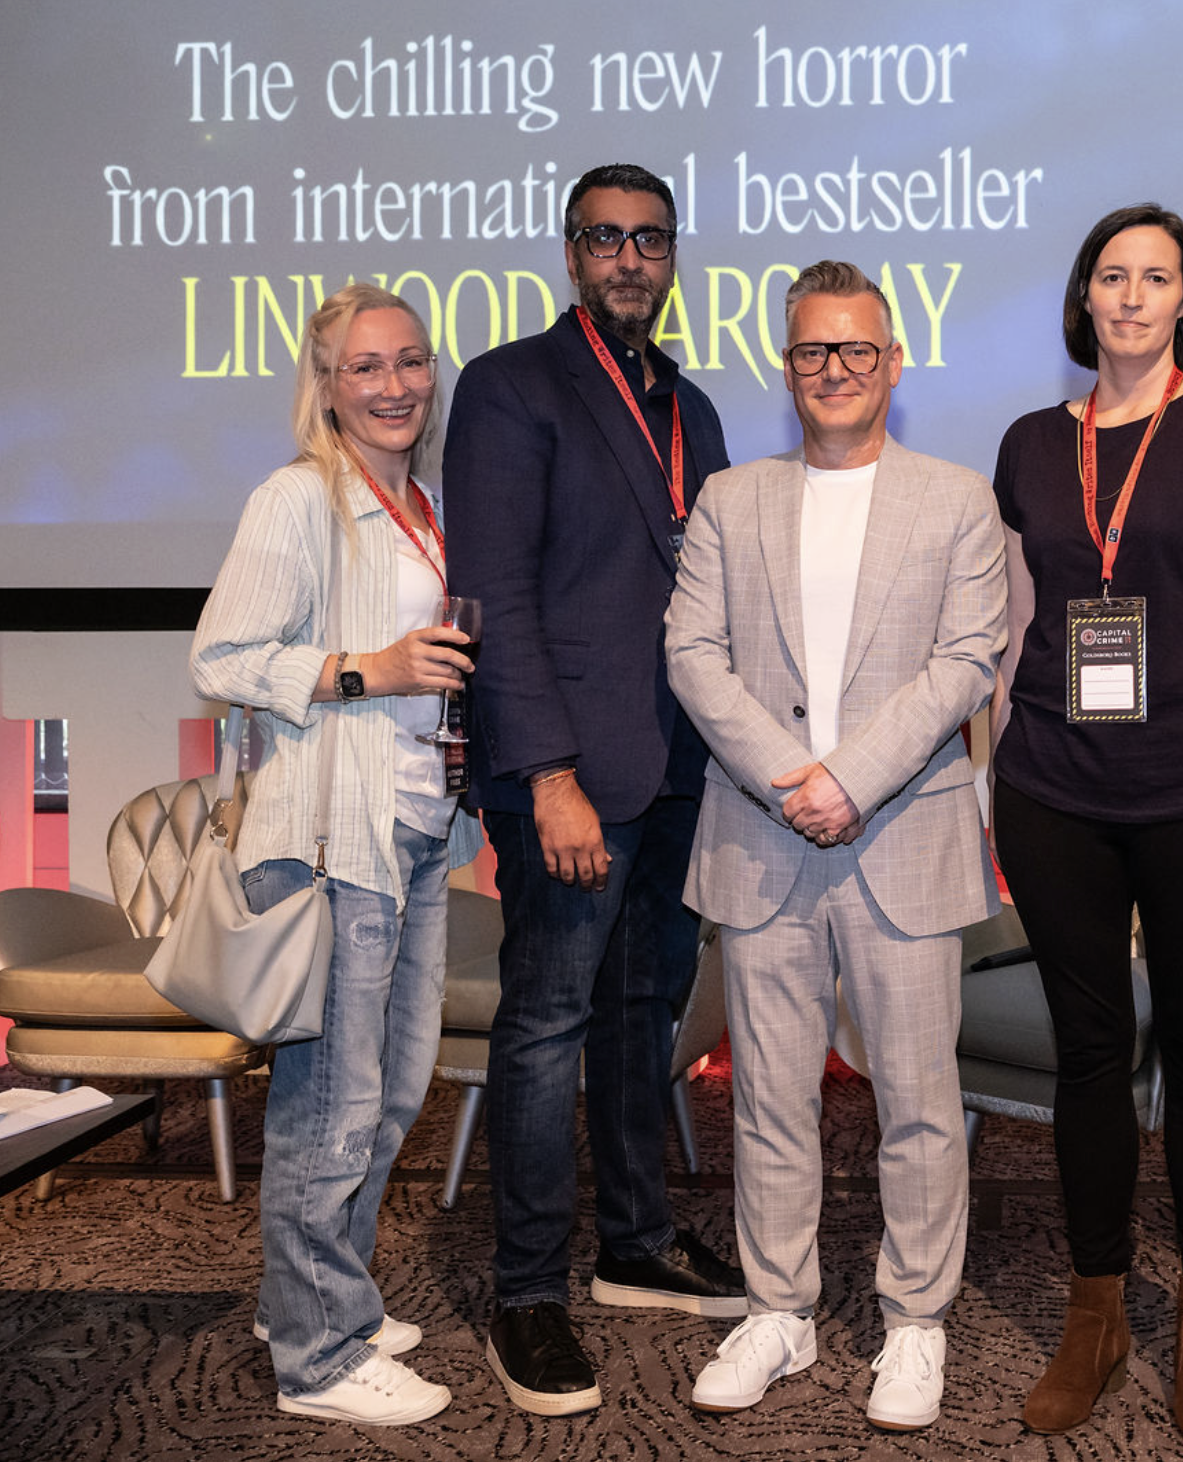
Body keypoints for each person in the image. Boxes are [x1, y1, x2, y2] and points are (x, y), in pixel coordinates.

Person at [664, 260, 1005, 1431]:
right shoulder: (729, 498)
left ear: (894, 362)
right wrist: (790, 778)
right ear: (787, 364)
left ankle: (915, 1322)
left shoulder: (957, 498)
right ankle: (780, 1308)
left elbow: (968, 657)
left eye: (857, 349)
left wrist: (850, 780)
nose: (836, 369)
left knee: (918, 1098)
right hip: (765, 841)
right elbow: (693, 655)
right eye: (814, 350)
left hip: (901, 833)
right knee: (766, 1099)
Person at [988, 203, 1183, 1449]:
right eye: (1109, 275)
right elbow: (1020, 626)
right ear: (1082, 297)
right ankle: (1098, 1309)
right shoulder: (1024, 444)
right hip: (1055, 791)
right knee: (1086, 1055)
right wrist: (982, 776)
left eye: (1153, 277)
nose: (1128, 295)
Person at [443, 162, 745, 1417]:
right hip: (571, 774)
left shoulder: (694, 404)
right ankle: (528, 1292)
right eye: (606, 239)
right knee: (545, 1023)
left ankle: (631, 1239)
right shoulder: (511, 386)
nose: (630, 259)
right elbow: (498, 596)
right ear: (569, 254)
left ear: (673, 258)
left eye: (651, 241)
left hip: (681, 765)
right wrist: (550, 775)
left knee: (644, 1012)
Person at [191, 283, 481, 1426]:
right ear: (326, 385)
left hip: (409, 829)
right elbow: (223, 655)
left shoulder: (423, 500)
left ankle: (307, 1296)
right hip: (323, 843)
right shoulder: (296, 499)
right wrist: (374, 671)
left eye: (411, 361)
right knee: (331, 1101)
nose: (395, 384)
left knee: (390, 1088)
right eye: (365, 367)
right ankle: (317, 1356)